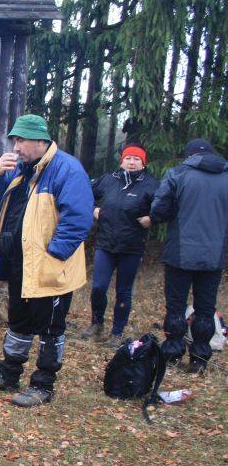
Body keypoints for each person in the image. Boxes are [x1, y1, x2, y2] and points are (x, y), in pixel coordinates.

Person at [0, 114, 93, 407]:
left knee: (50, 327)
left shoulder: (67, 170)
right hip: (20, 263)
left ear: (41, 141)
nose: (16, 146)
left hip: (51, 266)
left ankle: (43, 385)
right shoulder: (19, 170)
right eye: (14, 140)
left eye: (22, 140)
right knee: (19, 321)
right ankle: (8, 374)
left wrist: (55, 255)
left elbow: (78, 218)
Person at [149, 138, 228, 375]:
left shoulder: (177, 174)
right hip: (213, 254)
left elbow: (159, 211)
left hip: (180, 253)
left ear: (190, 155)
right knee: (206, 308)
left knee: (176, 305)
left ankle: (173, 353)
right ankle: (200, 358)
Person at [82, 144, 158, 345]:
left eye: (136, 159)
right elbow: (85, 194)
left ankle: (117, 332)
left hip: (131, 247)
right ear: (121, 161)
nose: (132, 162)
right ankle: (97, 323)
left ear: (143, 163)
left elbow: (164, 206)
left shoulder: (151, 184)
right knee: (98, 287)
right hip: (105, 244)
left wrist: (152, 218)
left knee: (123, 291)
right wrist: (93, 209)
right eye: (128, 158)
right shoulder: (108, 180)